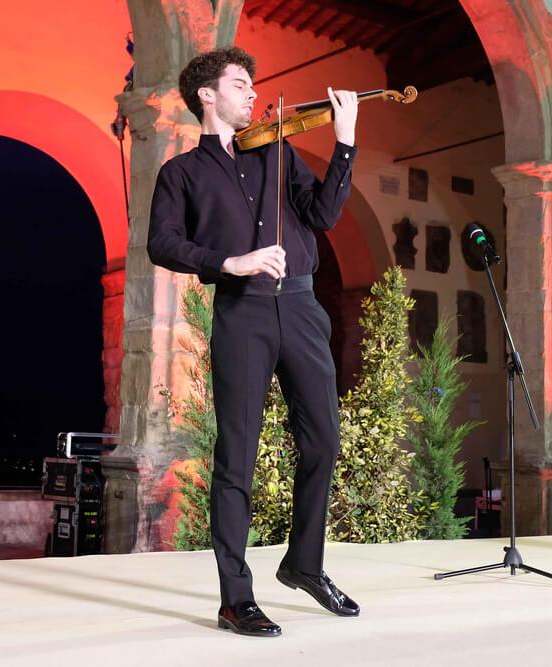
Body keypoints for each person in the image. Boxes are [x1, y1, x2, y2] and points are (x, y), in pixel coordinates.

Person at [146, 46, 360, 637]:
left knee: (323, 442)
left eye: (252, 85)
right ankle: (235, 598)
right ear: (207, 95)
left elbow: (323, 214)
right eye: (240, 84)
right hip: (243, 313)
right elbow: (162, 243)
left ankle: (304, 565)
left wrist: (344, 142)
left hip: (302, 306)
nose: (253, 94)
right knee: (236, 456)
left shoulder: (277, 151)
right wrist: (230, 262)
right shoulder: (181, 174)